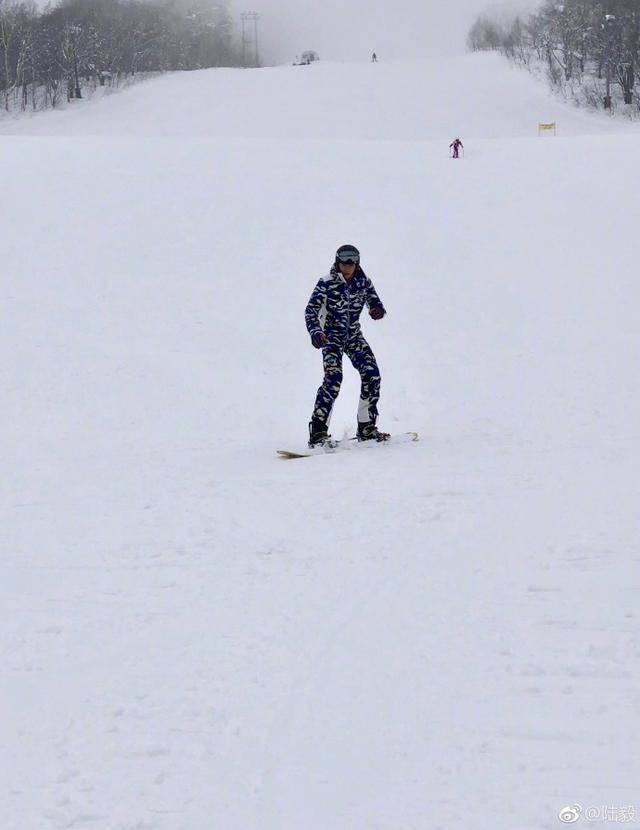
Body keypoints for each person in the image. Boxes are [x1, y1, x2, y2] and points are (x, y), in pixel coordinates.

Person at [305, 244, 388, 447]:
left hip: (353, 337)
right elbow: (310, 311)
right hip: (331, 337)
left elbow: (374, 301)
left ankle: (367, 427)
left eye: (352, 261)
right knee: (333, 379)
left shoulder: (363, 282)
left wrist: (377, 309)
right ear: (337, 261)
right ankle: (318, 433)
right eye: (344, 261)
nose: (347, 266)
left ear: (357, 262)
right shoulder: (326, 283)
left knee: (371, 373)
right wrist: (316, 332)